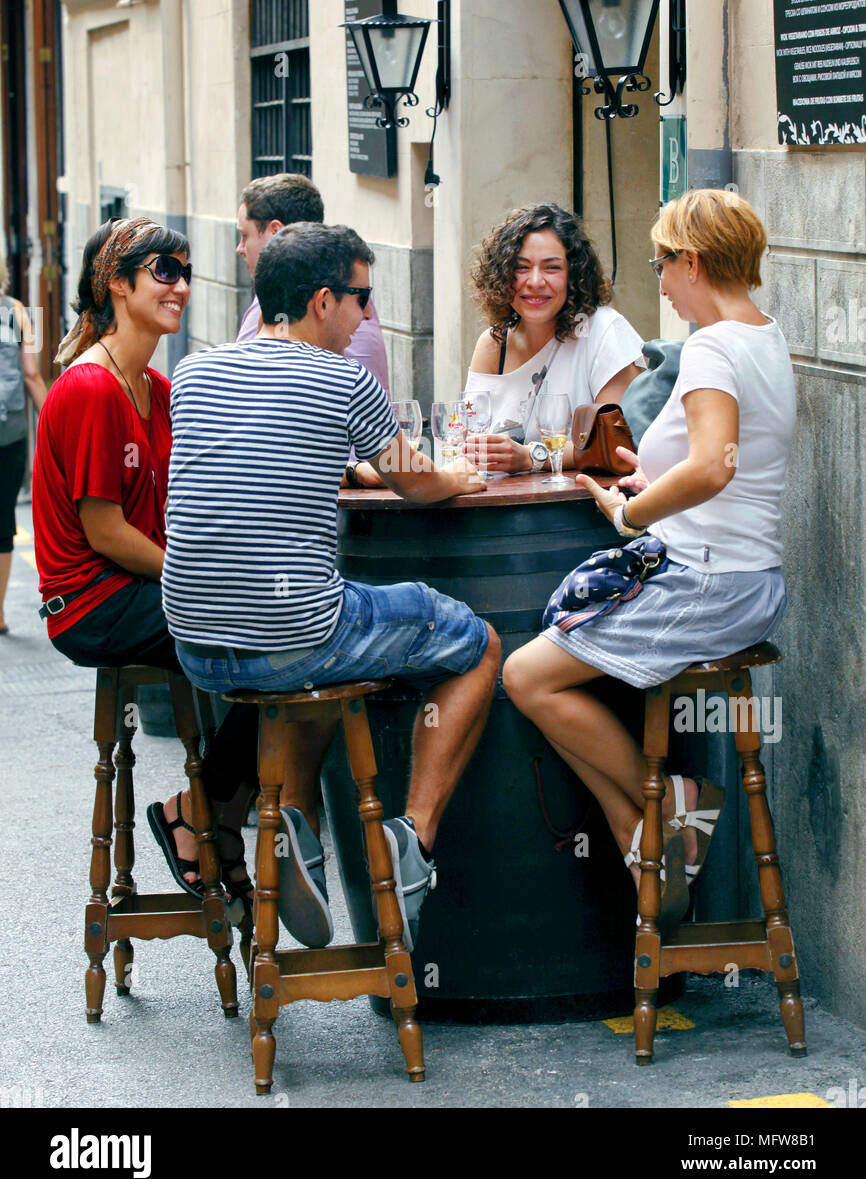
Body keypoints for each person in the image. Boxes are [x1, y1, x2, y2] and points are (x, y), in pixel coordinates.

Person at [163, 221, 502, 951]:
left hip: (195, 646)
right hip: (295, 639)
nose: (368, 316)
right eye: (363, 298)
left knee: (318, 654)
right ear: (323, 301)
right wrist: (461, 476)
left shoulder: (193, 372)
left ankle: (294, 831)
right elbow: (416, 482)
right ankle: (410, 843)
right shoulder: (346, 378)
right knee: (477, 642)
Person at [503, 189, 794, 922]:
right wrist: (651, 479)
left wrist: (631, 510)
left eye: (662, 263)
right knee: (546, 674)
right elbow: (725, 463)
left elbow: (713, 469)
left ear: (692, 262)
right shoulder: (763, 336)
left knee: (527, 676)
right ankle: (650, 837)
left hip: (708, 580)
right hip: (742, 577)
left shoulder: (713, 347)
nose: (659, 281)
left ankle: (679, 805)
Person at [31, 217, 258, 908]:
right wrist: (197, 576)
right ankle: (202, 815)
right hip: (90, 603)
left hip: (131, 588)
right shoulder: (91, 387)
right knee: (269, 637)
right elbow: (105, 532)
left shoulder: (156, 389)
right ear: (116, 283)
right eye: (165, 271)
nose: (181, 286)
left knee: (274, 627)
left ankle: (208, 812)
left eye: (185, 272)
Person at [462, 202, 644, 475]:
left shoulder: (604, 331)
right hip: (492, 505)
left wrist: (531, 457)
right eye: (521, 268)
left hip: (578, 509)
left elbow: (619, 443)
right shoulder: (492, 344)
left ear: (575, 275)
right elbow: (469, 443)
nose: (535, 282)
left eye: (551, 268)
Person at [235, 172, 390, 394]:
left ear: (276, 232)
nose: (240, 248)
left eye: (244, 235)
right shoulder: (344, 285)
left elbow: (247, 383)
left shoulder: (283, 294)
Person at [0, 263, 48, 633]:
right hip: (10, 432)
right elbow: (31, 373)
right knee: (4, 521)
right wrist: (52, 419)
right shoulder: (21, 313)